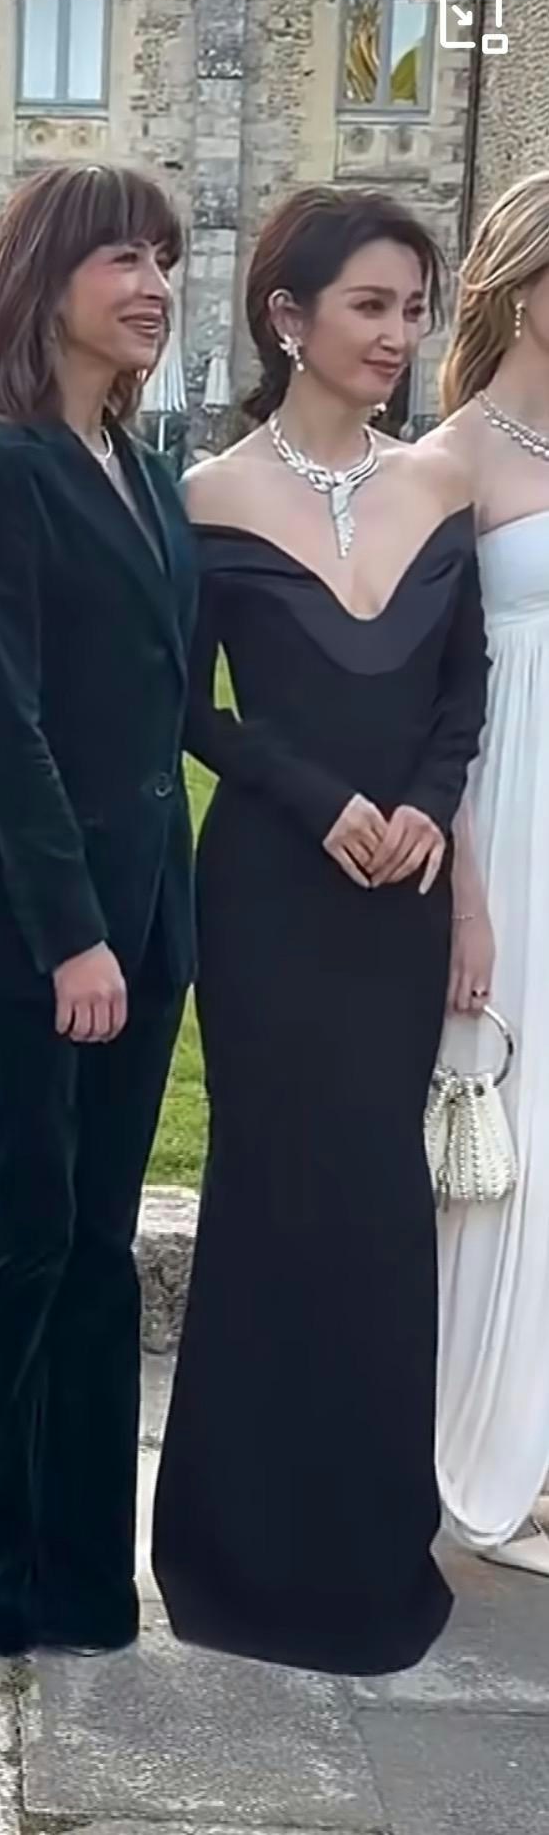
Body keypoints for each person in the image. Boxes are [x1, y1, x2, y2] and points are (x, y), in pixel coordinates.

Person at [153, 186, 489, 1675]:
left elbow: (464, 693)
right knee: (270, 1194)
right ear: (287, 316)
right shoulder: (206, 495)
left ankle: (366, 1552)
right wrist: (313, 795)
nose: (397, 333)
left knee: (375, 1209)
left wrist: (423, 807)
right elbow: (186, 707)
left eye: (413, 308)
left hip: (398, 902)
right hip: (270, 898)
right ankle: (235, 1557)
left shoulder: (440, 482)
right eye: (369, 305)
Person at [0, 163, 197, 1658]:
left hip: (150, 919)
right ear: (46, 278)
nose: (153, 286)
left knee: (99, 1246)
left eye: (164, 260)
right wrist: (72, 930)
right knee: (23, 1236)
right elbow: (4, 716)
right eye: (122, 260)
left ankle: (86, 1579)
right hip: (40, 929)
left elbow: (169, 704)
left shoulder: (140, 467)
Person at [419, 169, 549, 1578]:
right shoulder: (449, 460)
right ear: (521, 280)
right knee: (500, 1123)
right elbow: (430, 700)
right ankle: (481, 1444)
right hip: (505, 818)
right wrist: (464, 894)